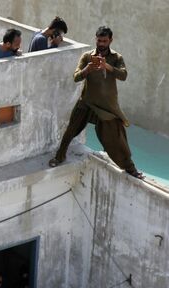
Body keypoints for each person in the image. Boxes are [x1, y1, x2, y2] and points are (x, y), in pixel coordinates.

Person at [49, 27, 143, 178]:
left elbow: (123, 75)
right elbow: (76, 77)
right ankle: (59, 156)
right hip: (87, 102)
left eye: (105, 41)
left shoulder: (117, 58)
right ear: (96, 39)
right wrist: (87, 69)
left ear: (110, 41)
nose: (101, 44)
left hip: (107, 107)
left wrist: (107, 66)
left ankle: (130, 168)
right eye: (99, 40)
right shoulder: (87, 57)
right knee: (70, 130)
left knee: (116, 139)